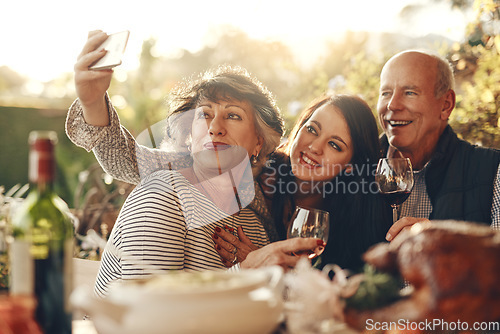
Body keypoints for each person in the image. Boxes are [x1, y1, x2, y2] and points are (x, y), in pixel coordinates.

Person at [70, 31, 325, 297]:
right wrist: (93, 102)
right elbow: (147, 315)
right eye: (204, 114)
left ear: (258, 143)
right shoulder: (164, 194)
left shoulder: (255, 223)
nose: (215, 127)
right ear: (190, 138)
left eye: (233, 115)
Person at [214, 95, 391, 271]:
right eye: (312, 130)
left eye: (334, 145)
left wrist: (268, 265)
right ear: (299, 128)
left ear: (351, 166)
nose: (314, 147)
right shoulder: (250, 179)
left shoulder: (357, 217)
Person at [376, 50, 500, 241]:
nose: (392, 105)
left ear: (446, 105)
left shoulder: (493, 170)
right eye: (386, 93)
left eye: (409, 92)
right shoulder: (355, 165)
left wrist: (445, 241)